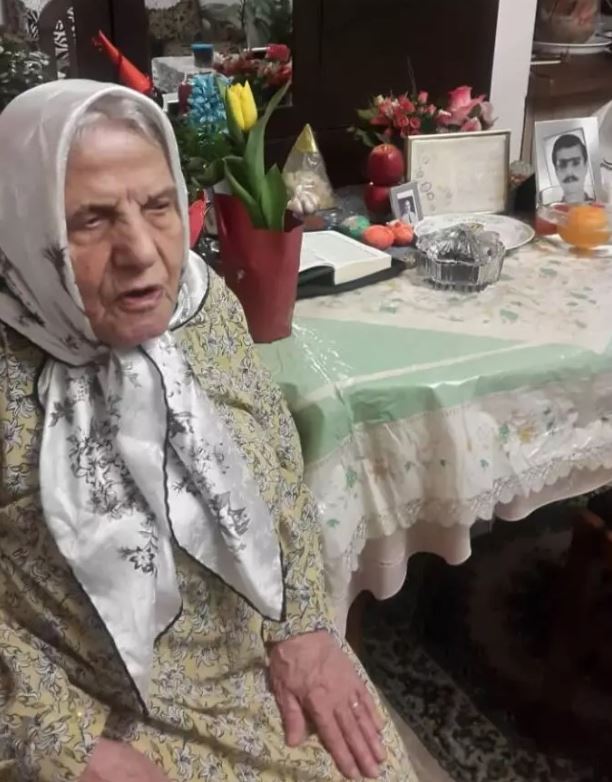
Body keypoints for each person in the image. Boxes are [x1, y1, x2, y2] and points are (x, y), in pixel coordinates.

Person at [0, 80, 414, 781]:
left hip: (254, 648)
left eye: (158, 205)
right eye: (91, 220)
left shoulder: (199, 302)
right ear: (26, 226)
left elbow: (276, 453)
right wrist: (64, 741)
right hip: (84, 700)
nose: (142, 251)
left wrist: (304, 625)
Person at [551, 132, 593, 204]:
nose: (569, 172)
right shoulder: (549, 211)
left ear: (586, 167)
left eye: (576, 163)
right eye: (562, 165)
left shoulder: (605, 209)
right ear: (556, 171)